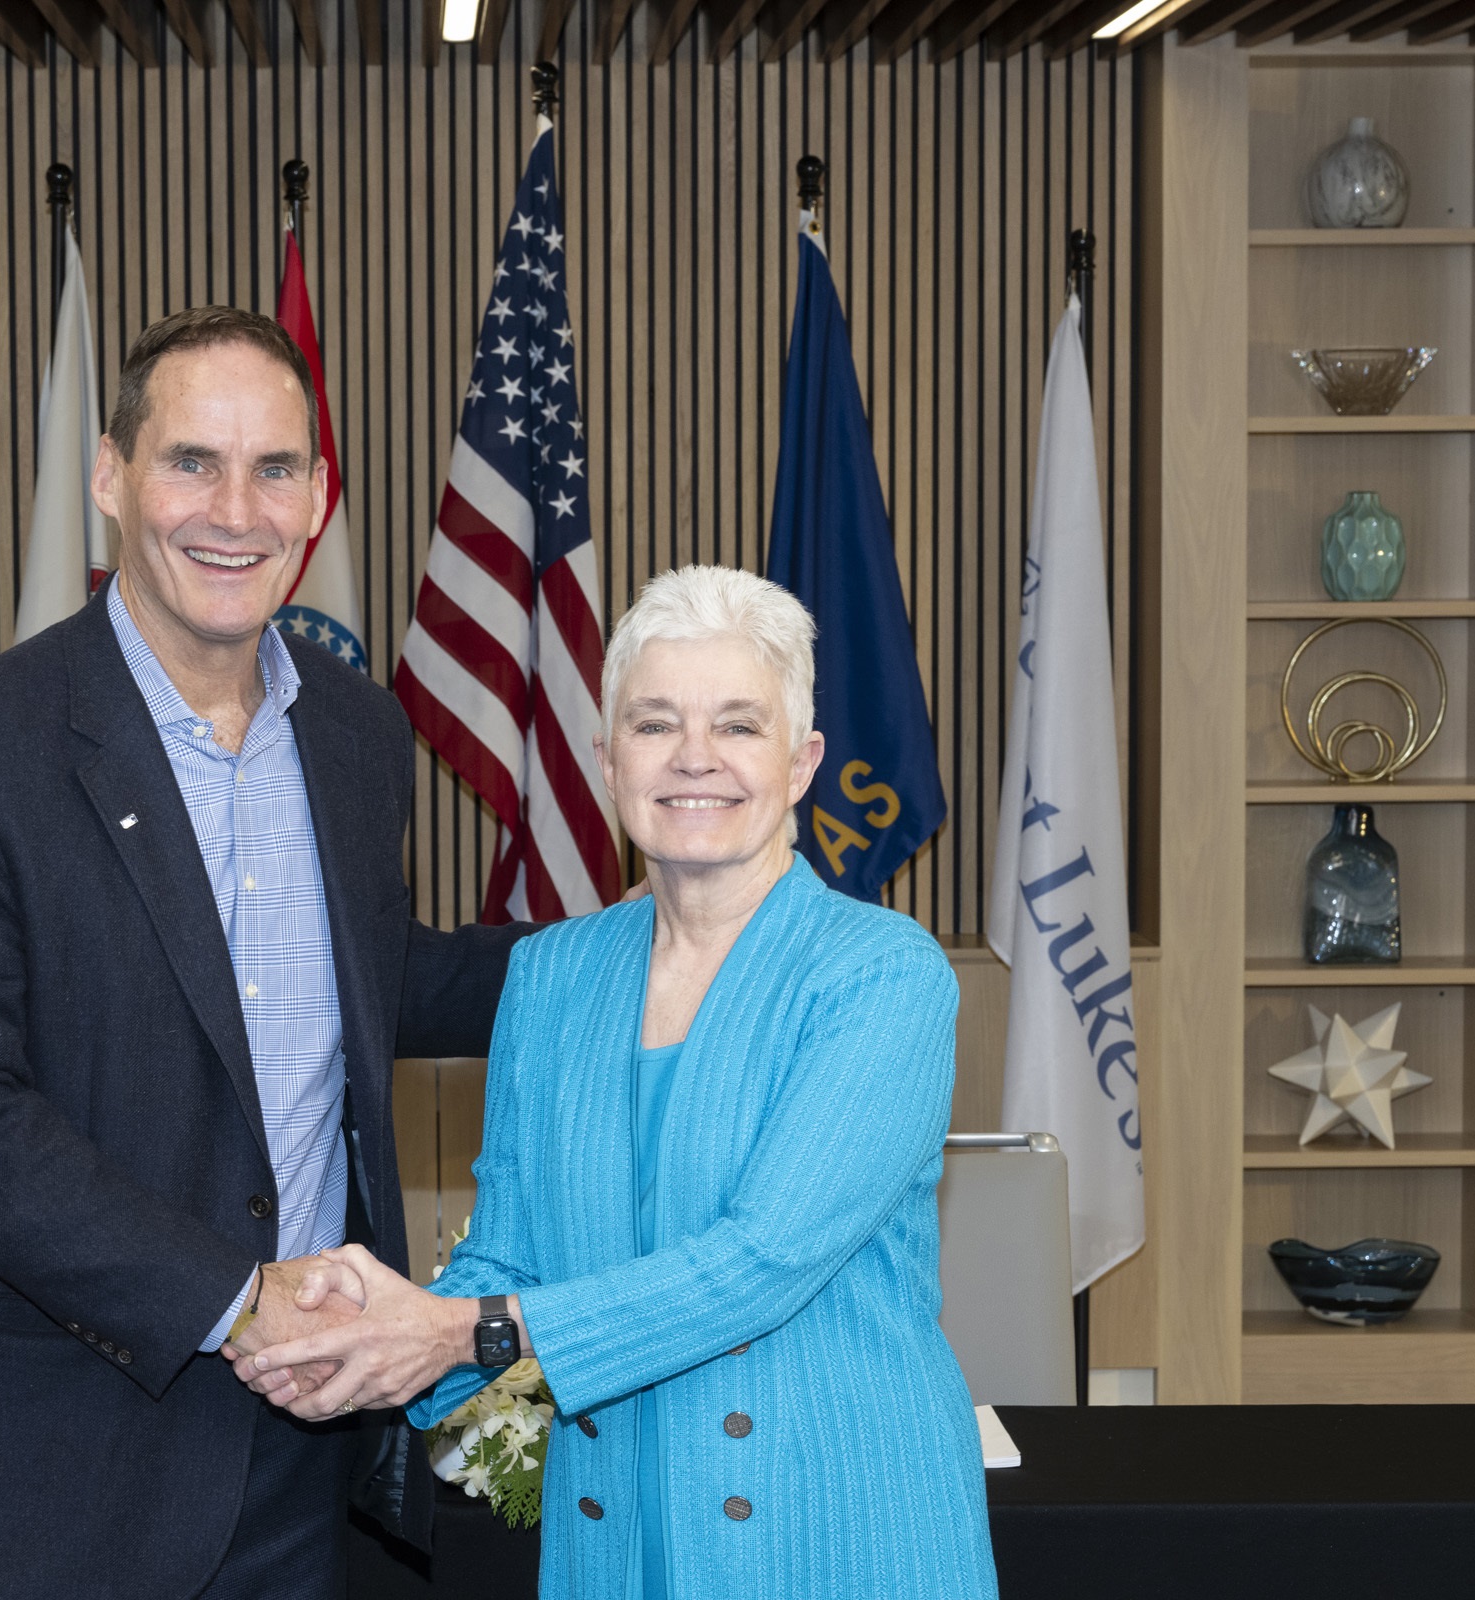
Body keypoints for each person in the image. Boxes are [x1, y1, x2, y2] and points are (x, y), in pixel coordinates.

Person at [0, 306, 536, 1600]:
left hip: (302, 1466)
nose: (236, 510)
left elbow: (370, 986)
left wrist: (656, 940)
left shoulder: (356, 736)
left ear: (317, 498)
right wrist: (236, 1298)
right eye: (191, 463)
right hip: (51, 1491)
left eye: (275, 469)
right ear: (110, 476)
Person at [235, 565, 1000, 1597]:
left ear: (802, 762)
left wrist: (456, 1330)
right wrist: (368, 1333)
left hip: (835, 1536)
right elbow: (508, 1252)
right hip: (612, 1545)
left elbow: (758, 1262)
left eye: (738, 725)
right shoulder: (551, 976)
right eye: (654, 723)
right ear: (606, 760)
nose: (694, 756)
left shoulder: (883, 975)